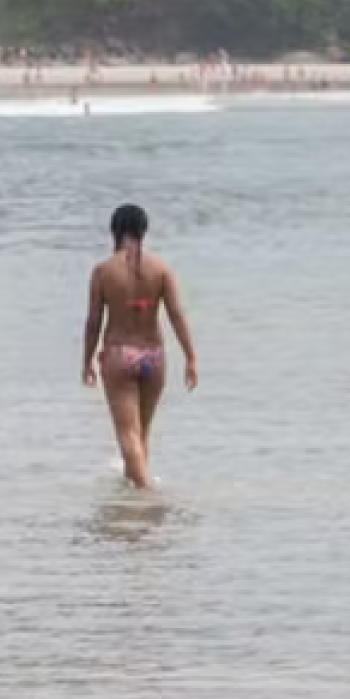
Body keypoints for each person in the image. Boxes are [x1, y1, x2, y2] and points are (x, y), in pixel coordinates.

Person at [81, 205, 198, 488]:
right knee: (141, 432)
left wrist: (86, 361)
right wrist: (190, 357)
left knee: (127, 434)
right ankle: (133, 504)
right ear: (143, 231)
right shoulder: (161, 269)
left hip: (120, 355)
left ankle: (145, 495)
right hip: (153, 357)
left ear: (115, 231)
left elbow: (94, 321)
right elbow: (176, 314)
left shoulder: (103, 271)